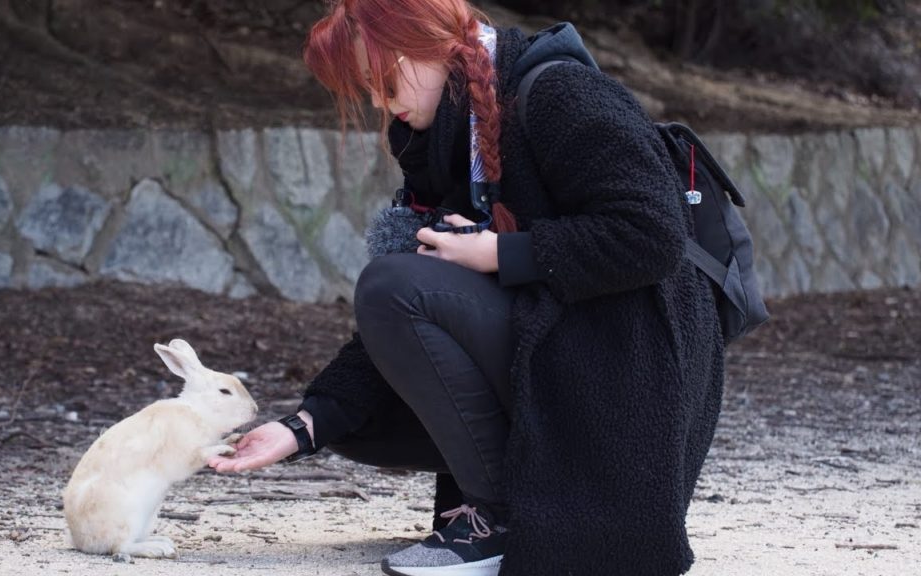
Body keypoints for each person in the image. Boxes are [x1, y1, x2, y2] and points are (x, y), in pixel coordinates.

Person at [208, 0, 725, 575]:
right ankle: (514, 505)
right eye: (366, 89)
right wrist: (305, 426)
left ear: (426, 47)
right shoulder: (453, 138)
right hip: (565, 353)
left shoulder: (561, 91)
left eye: (379, 79)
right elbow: (415, 319)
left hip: (630, 377)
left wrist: (499, 252)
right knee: (358, 421)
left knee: (393, 285)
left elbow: (653, 235)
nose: (380, 102)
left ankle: (500, 517)